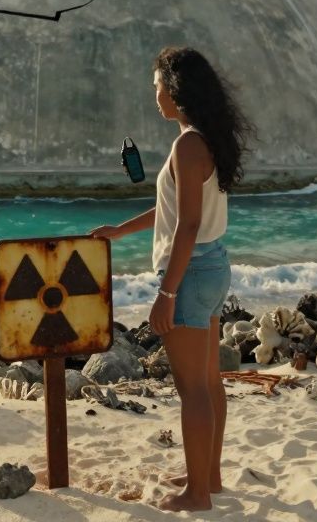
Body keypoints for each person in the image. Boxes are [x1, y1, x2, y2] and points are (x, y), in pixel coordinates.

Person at [91, 46, 253, 512]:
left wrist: (166, 293)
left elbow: (185, 225)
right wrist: (120, 231)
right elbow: (176, 211)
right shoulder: (203, 139)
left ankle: (197, 493)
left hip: (191, 270)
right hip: (213, 264)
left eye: (157, 85)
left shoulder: (188, 144)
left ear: (176, 91)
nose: (155, 94)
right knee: (209, 383)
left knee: (193, 390)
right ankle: (210, 476)